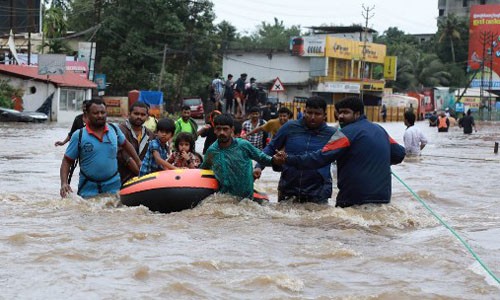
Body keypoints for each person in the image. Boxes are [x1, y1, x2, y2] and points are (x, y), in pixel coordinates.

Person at [281, 96, 406, 208]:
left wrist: (288, 159)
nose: (340, 116)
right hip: (383, 198)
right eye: (339, 112)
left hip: (353, 199)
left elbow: (320, 158)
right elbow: (399, 154)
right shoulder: (380, 130)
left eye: (346, 113)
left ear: (357, 114)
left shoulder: (345, 133)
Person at [254, 96, 337, 204]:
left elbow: (345, 159)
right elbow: (271, 147)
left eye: (317, 114)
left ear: (324, 115)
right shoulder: (290, 127)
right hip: (288, 188)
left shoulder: (332, 134)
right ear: (304, 111)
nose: (312, 117)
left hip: (318, 192)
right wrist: (259, 167)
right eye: (309, 113)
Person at [59, 98, 142, 198]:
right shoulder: (79, 135)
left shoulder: (114, 130)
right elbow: (67, 161)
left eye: (103, 112)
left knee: (117, 212)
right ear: (87, 115)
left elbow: (126, 144)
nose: (100, 116)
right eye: (96, 113)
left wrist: (138, 161)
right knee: (87, 211)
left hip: (113, 186)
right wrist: (64, 183)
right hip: (88, 187)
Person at [200, 113, 283, 200]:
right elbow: (203, 170)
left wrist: (274, 160)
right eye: (218, 129)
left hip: (246, 200)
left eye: (225, 129)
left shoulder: (243, 145)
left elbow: (262, 158)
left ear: (232, 129)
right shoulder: (211, 151)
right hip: (225, 201)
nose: (222, 132)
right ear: (214, 130)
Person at [117, 101, 155, 185]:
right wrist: (143, 177)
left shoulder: (150, 134)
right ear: (129, 113)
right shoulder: (120, 130)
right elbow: (124, 156)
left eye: (142, 115)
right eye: (136, 114)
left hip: (143, 181)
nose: (139, 117)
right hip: (122, 179)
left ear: (147, 116)